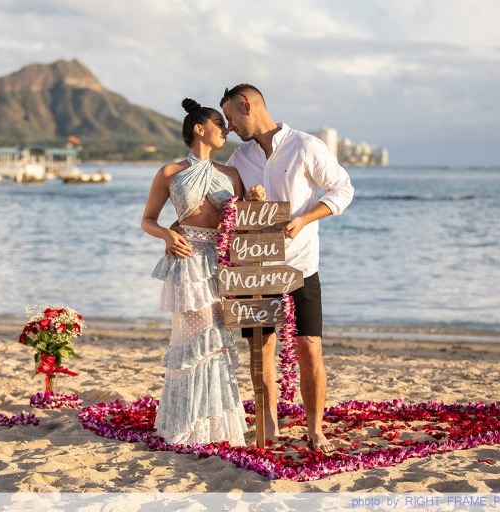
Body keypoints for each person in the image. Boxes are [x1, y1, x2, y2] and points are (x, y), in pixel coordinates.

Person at [220, 84, 354, 453]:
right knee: (261, 349)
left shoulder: (305, 145)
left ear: (247, 104)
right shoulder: (238, 159)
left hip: (301, 265)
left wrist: (304, 219)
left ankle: (315, 429)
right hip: (255, 269)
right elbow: (230, 208)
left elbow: (342, 189)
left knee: (309, 347)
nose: (229, 126)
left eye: (231, 116)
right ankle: (268, 426)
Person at [141, 98, 247, 445]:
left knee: (218, 340)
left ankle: (218, 426)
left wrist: (254, 201)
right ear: (200, 128)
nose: (226, 129)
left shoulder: (230, 174)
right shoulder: (170, 173)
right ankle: (188, 426)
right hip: (186, 259)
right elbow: (148, 220)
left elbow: (242, 222)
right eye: (220, 123)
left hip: (221, 262)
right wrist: (168, 234)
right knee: (196, 338)